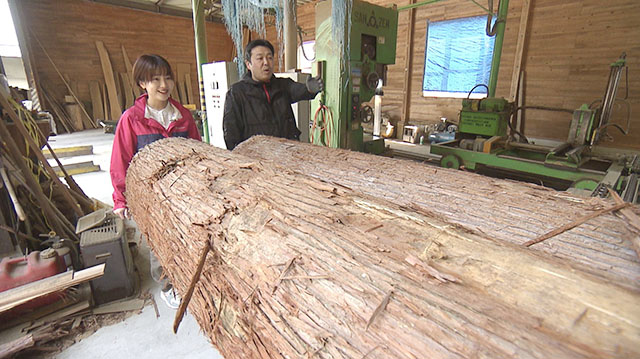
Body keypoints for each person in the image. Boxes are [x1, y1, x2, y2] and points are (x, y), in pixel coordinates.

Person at [109, 54, 200, 309]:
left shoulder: (181, 115)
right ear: (142, 84)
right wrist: (120, 198)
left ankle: (186, 279)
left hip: (181, 192)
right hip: (150, 197)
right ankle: (168, 287)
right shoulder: (132, 119)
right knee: (159, 244)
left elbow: (197, 151)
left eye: (167, 77)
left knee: (184, 238)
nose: (164, 84)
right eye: (155, 79)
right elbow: (120, 161)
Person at [222, 39, 323, 150]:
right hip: (258, 158)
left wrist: (309, 89)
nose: (266, 62)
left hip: (288, 154)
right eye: (260, 58)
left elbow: (298, 90)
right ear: (248, 64)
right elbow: (231, 133)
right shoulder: (237, 93)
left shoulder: (282, 85)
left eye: (269, 57)